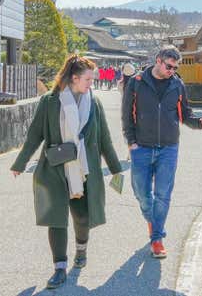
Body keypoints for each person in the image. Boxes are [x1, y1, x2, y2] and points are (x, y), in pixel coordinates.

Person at [11, 55, 122, 290]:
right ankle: (59, 267)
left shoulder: (95, 103)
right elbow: (35, 135)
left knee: (82, 217)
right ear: (74, 78)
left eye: (93, 79)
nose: (92, 83)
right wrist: (20, 163)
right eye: (88, 79)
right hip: (54, 169)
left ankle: (81, 250)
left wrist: (116, 170)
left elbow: (105, 140)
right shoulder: (50, 102)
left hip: (83, 171)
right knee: (57, 220)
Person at [121, 45, 202, 259]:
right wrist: (131, 142)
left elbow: (186, 115)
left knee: (163, 196)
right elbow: (126, 116)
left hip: (169, 148)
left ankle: (157, 238)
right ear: (159, 61)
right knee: (142, 195)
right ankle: (154, 223)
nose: (172, 70)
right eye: (169, 66)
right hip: (141, 148)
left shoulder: (177, 85)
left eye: (175, 67)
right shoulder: (136, 83)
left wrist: (201, 123)